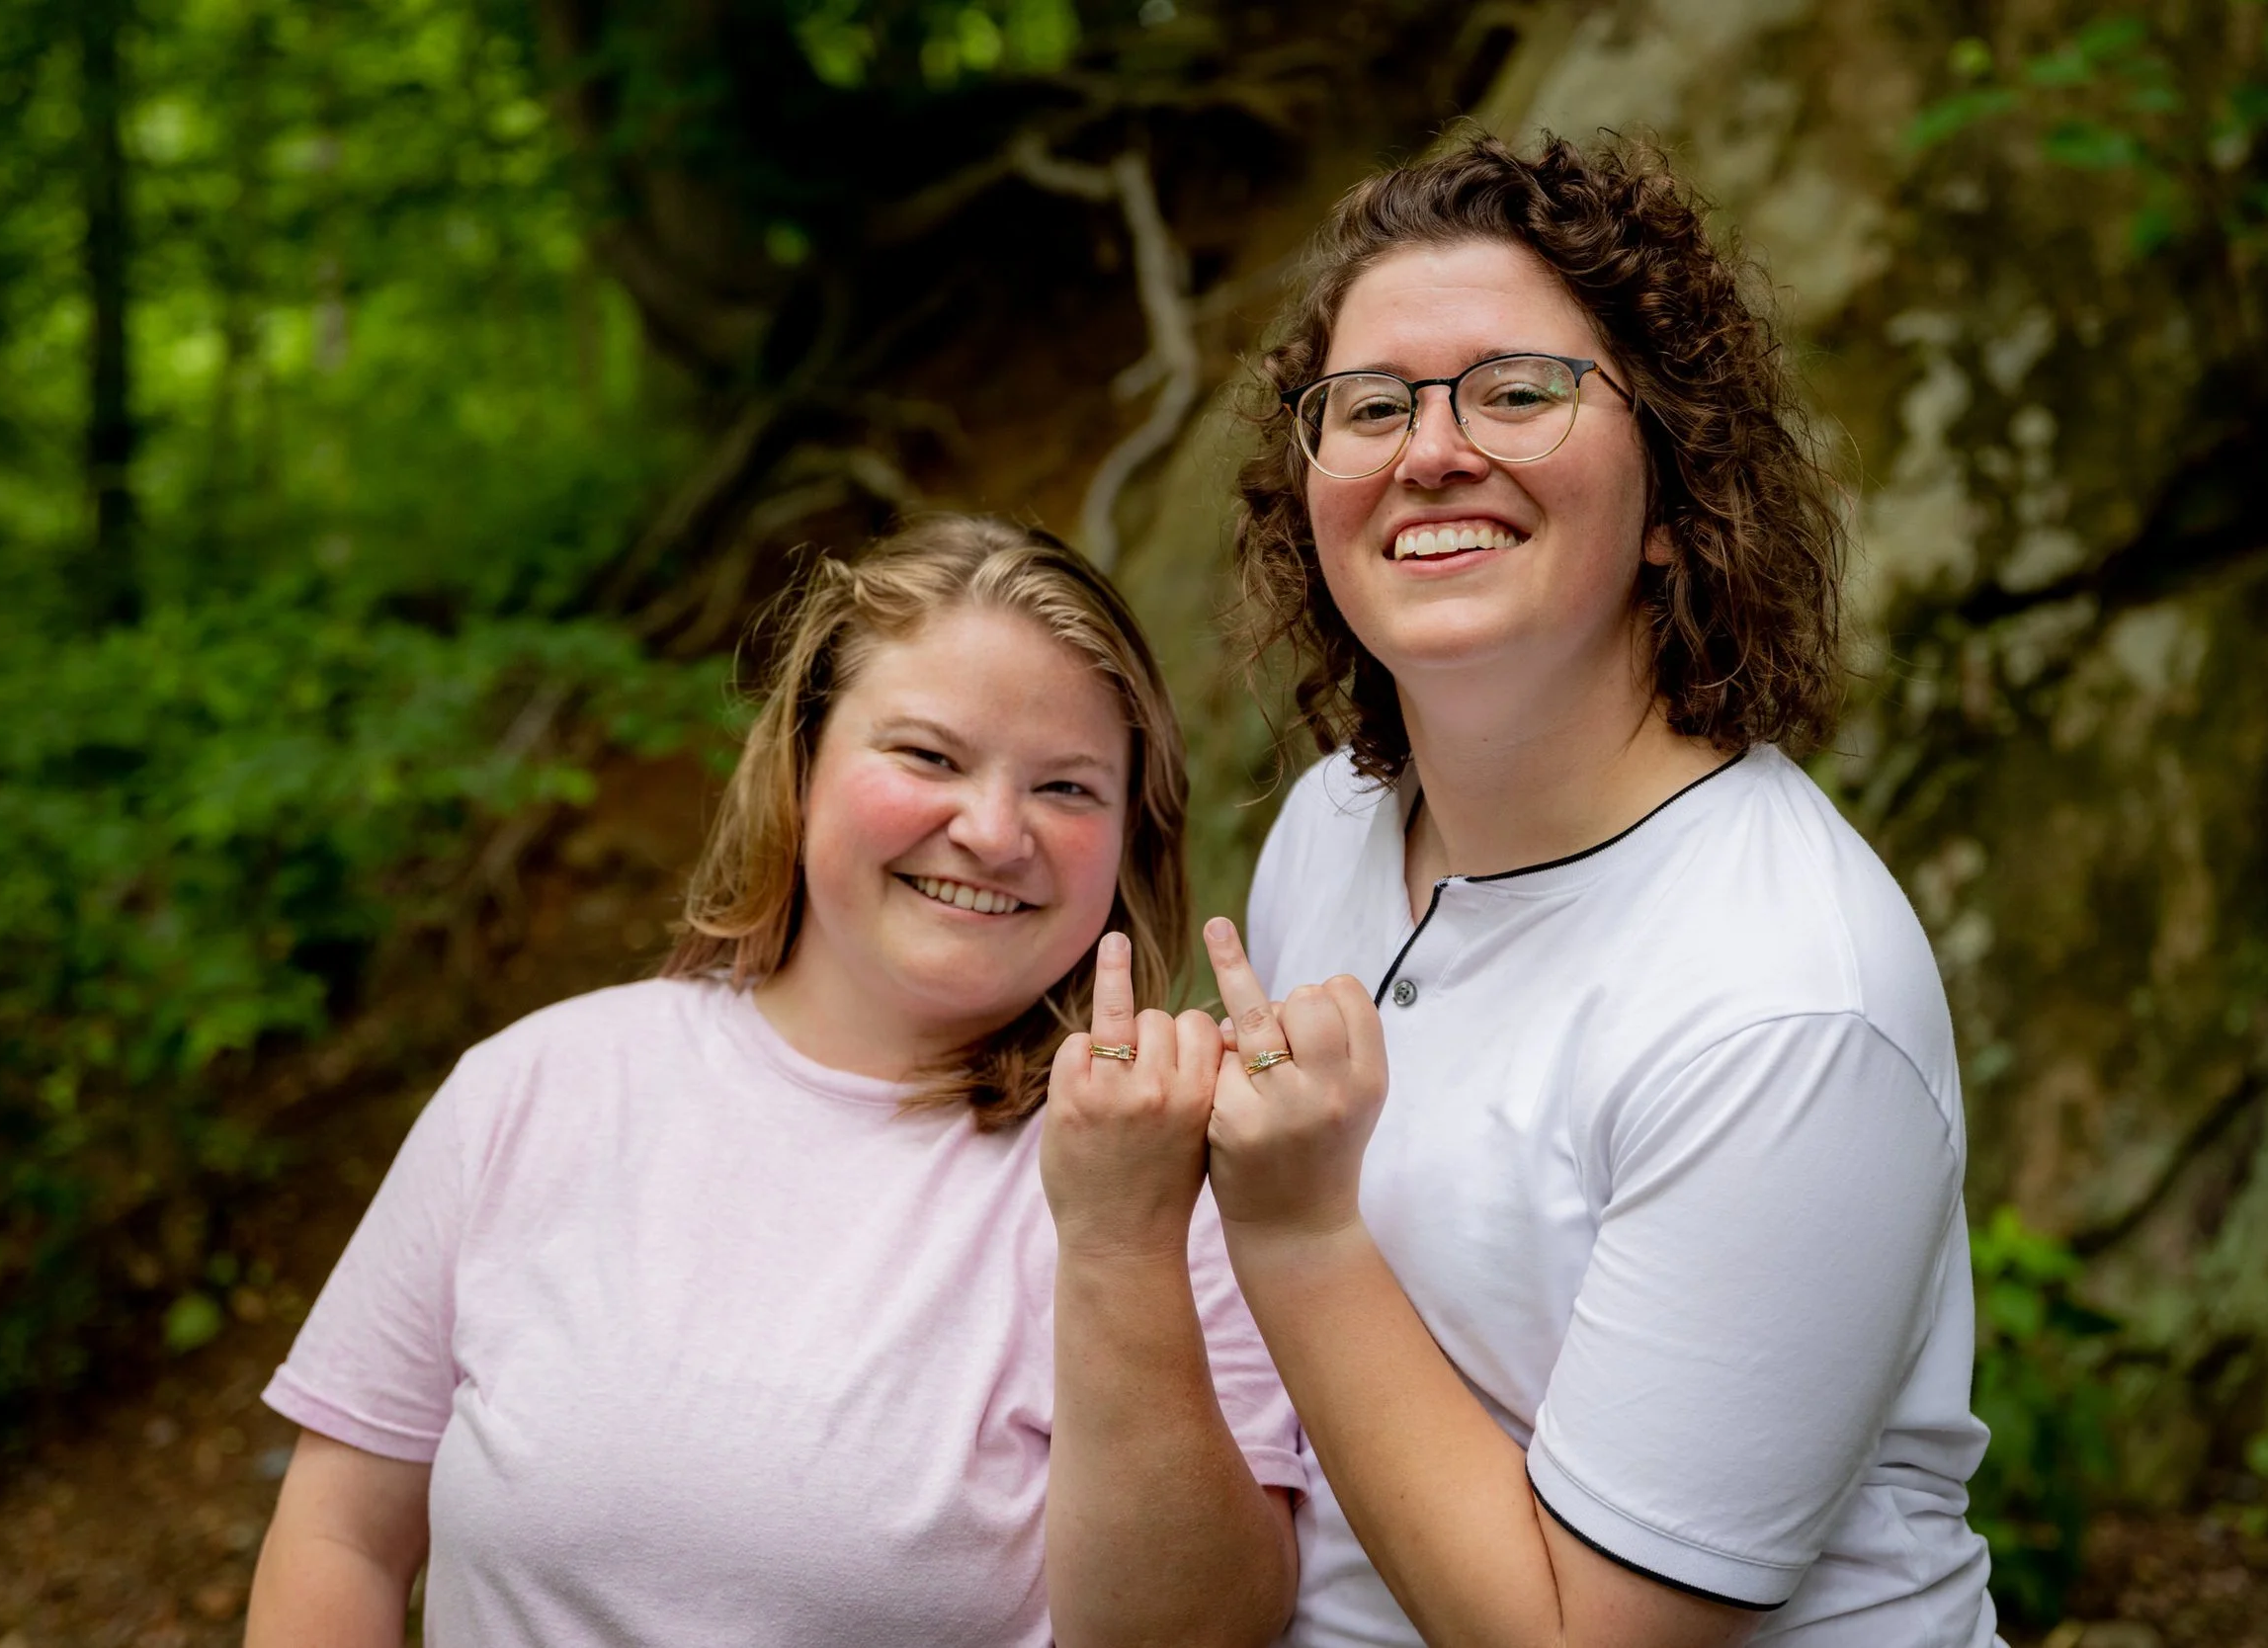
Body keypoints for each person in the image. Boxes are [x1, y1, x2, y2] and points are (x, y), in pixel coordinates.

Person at [1190, 133, 2001, 1646]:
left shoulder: (1783, 1001)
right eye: (1371, 406)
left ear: (1678, 496)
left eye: (1516, 390)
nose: (1429, 450)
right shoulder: (1333, 828)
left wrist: (1297, 1234)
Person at [243, 516, 1303, 1647]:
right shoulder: (532, 1089)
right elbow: (340, 1538)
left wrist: (1119, 1241)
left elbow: (1200, 1635)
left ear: (1131, 838)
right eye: (929, 757)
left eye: (1068, 788)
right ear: (801, 764)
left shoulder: (1175, 1174)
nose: (995, 832)